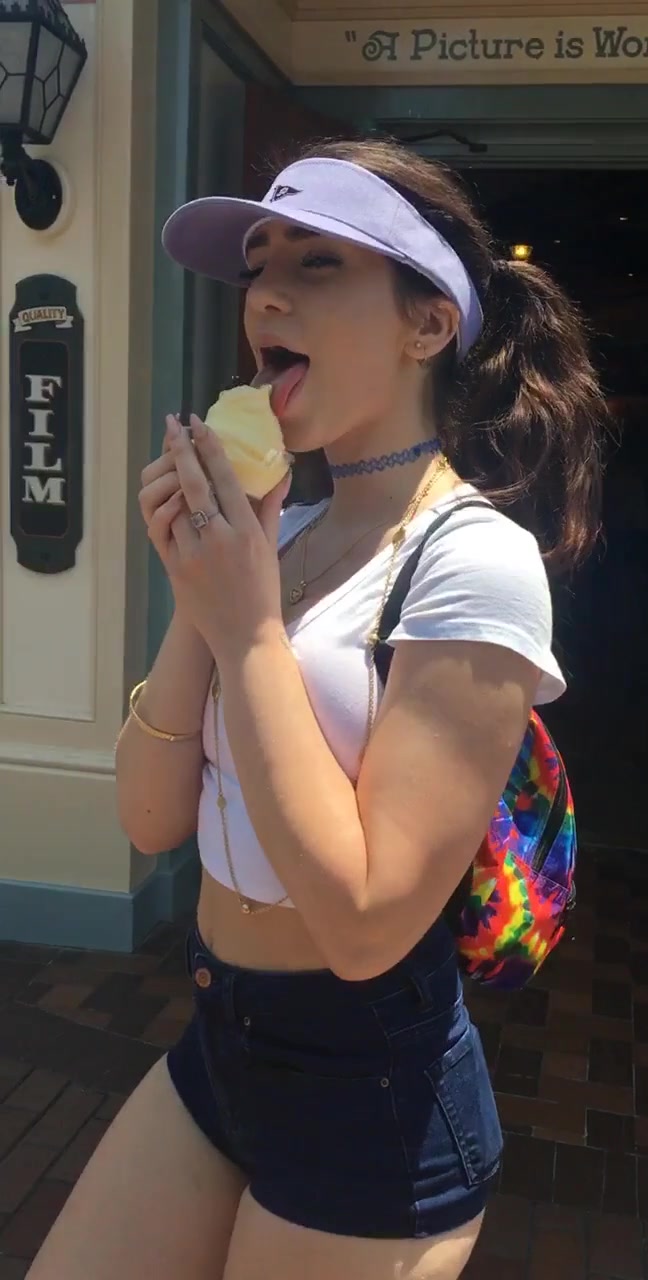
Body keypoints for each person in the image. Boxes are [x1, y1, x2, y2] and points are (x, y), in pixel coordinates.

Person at [28, 139, 604, 1280]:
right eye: (258, 266)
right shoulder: (280, 530)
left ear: (427, 323)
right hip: (219, 1041)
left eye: (317, 262)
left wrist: (247, 629)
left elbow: (365, 926)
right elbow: (150, 819)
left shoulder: (472, 560)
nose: (265, 295)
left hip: (371, 1094)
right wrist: (203, 591)